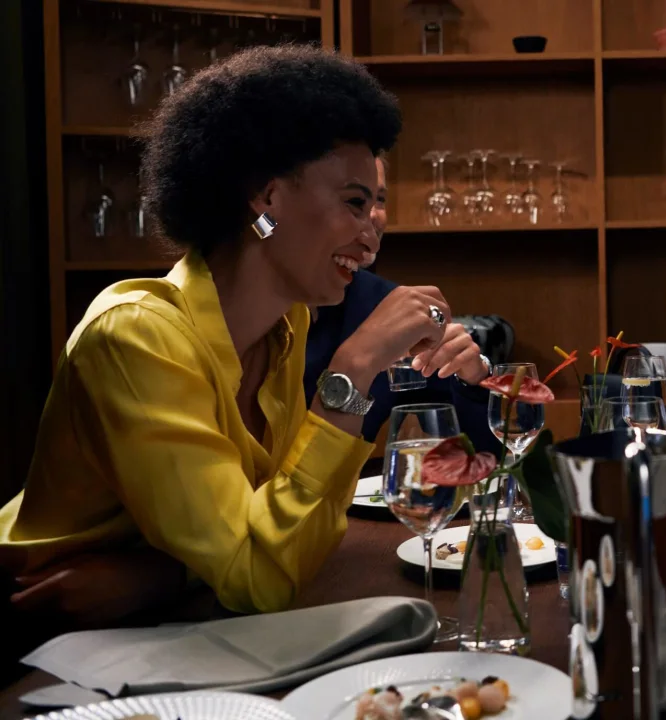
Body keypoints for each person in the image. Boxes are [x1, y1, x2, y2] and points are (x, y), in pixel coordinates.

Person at [0, 46, 453, 622]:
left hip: (163, 623)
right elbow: (259, 580)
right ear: (266, 197)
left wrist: (157, 575)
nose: (373, 233)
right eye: (354, 202)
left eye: (377, 207)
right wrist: (351, 372)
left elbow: (279, 542)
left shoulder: (284, 329)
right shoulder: (135, 338)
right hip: (35, 637)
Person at [304, 156, 499, 455]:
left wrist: (473, 378)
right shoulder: (237, 310)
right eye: (355, 199)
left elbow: (483, 454)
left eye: (379, 198)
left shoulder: (380, 302)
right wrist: (355, 364)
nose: (373, 221)